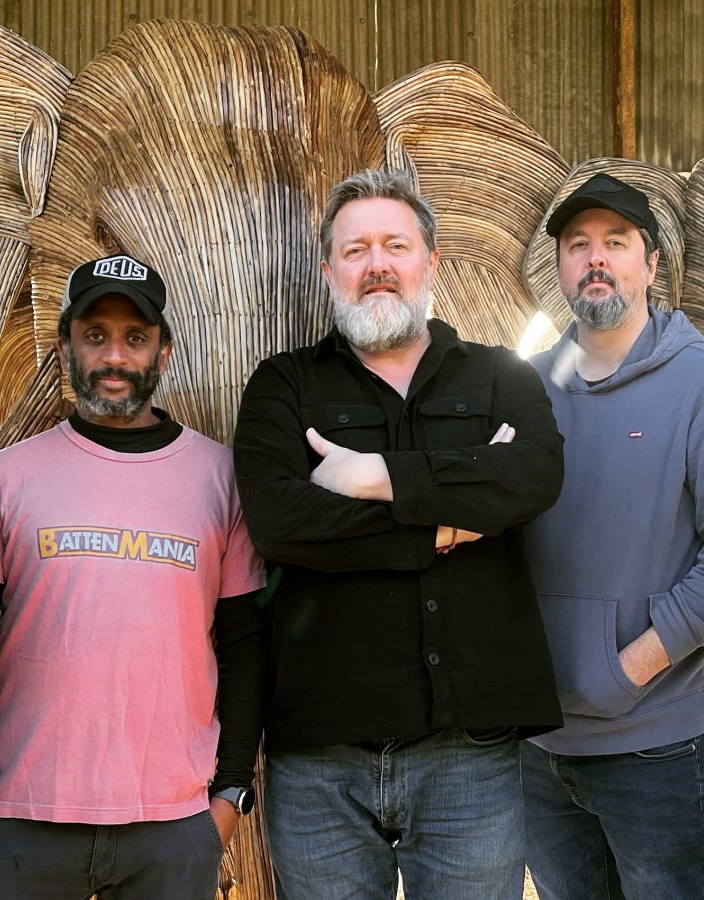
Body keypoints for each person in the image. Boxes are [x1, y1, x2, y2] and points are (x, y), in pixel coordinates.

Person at [232, 167, 564, 900]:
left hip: (471, 754)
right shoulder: (284, 386)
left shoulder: (500, 376)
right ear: (329, 272)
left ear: (430, 262)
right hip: (320, 759)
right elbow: (282, 521)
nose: (376, 264)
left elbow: (532, 476)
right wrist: (443, 523)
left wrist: (372, 474)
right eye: (355, 251)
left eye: (395, 245)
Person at [0, 253, 268, 900]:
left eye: (134, 338)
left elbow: (245, 647)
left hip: (174, 825)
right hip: (19, 822)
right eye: (95, 336)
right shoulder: (4, 478)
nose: (114, 357)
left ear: (163, 353)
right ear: (65, 348)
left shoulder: (221, 478)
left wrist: (230, 795)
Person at [518, 172, 704, 899]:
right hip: (535, 750)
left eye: (616, 242)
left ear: (651, 264)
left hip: (653, 748)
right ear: (561, 267)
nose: (596, 258)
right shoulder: (524, 391)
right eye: (578, 245)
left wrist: (622, 671)